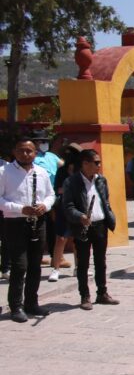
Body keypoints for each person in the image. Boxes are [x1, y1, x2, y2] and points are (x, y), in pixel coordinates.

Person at [0, 136, 56, 322]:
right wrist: (19, 209)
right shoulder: (4, 172)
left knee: (35, 265)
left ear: (35, 152)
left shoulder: (41, 172)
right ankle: (16, 306)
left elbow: (51, 195)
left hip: (38, 222)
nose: (25, 154)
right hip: (15, 223)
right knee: (19, 265)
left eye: (29, 150)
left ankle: (32, 303)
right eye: (21, 150)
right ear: (14, 152)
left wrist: (45, 206)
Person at [63, 149, 120, 310]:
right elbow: (68, 206)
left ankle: (102, 293)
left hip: (100, 225)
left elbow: (105, 201)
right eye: (96, 162)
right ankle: (84, 296)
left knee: (101, 261)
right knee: (83, 263)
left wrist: (109, 216)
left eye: (99, 162)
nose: (99, 165)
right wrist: (80, 216)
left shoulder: (101, 180)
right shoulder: (72, 182)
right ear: (85, 164)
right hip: (82, 226)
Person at [49, 143, 81, 282]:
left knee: (78, 239)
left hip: (79, 208)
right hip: (63, 207)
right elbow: (57, 189)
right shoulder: (61, 171)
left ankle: (79, 267)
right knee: (61, 238)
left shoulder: (82, 171)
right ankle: (55, 269)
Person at [31, 130, 63, 265]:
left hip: (54, 194)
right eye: (41, 141)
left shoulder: (51, 156)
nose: (44, 144)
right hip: (39, 196)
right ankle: (37, 255)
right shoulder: (32, 157)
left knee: (54, 226)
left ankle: (55, 257)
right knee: (39, 226)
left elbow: (63, 165)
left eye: (46, 141)